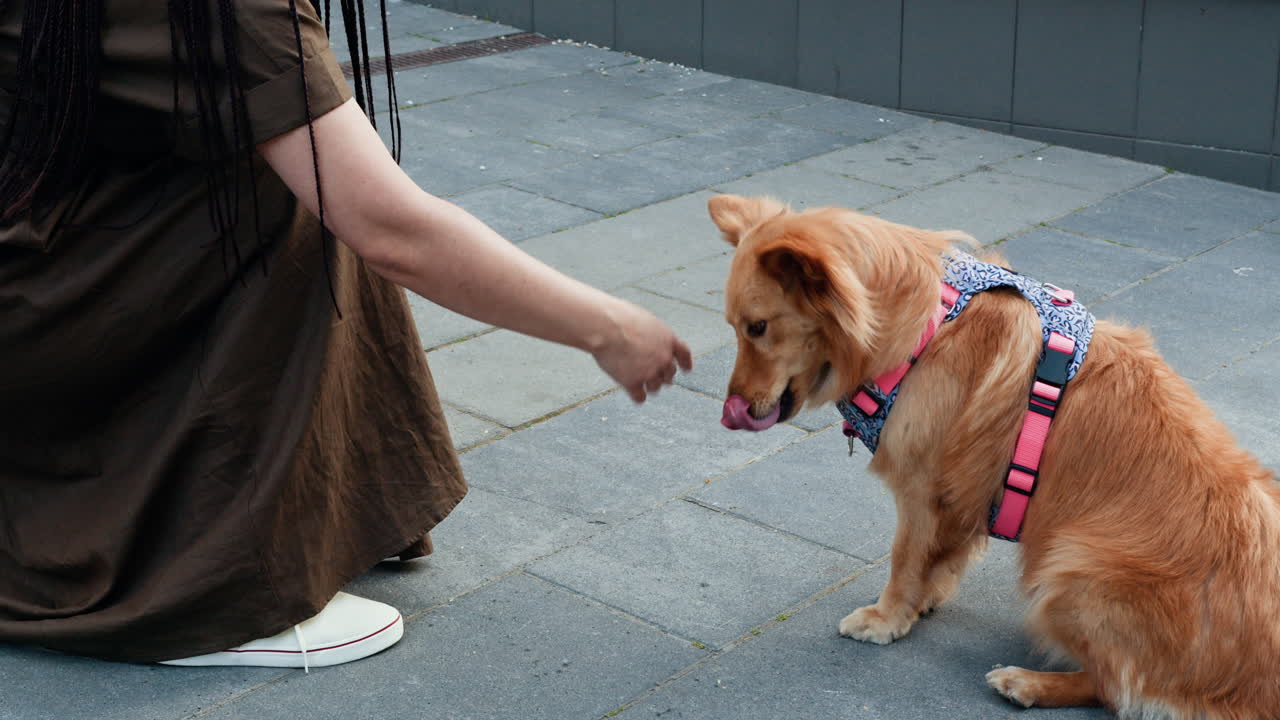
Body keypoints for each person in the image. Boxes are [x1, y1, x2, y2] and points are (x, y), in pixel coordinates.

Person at [0, 0, 691, 669]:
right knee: (310, 192)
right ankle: (214, 582)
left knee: (299, 149)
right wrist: (609, 328)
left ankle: (316, 511)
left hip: (36, 274)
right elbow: (392, 230)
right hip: (58, 324)